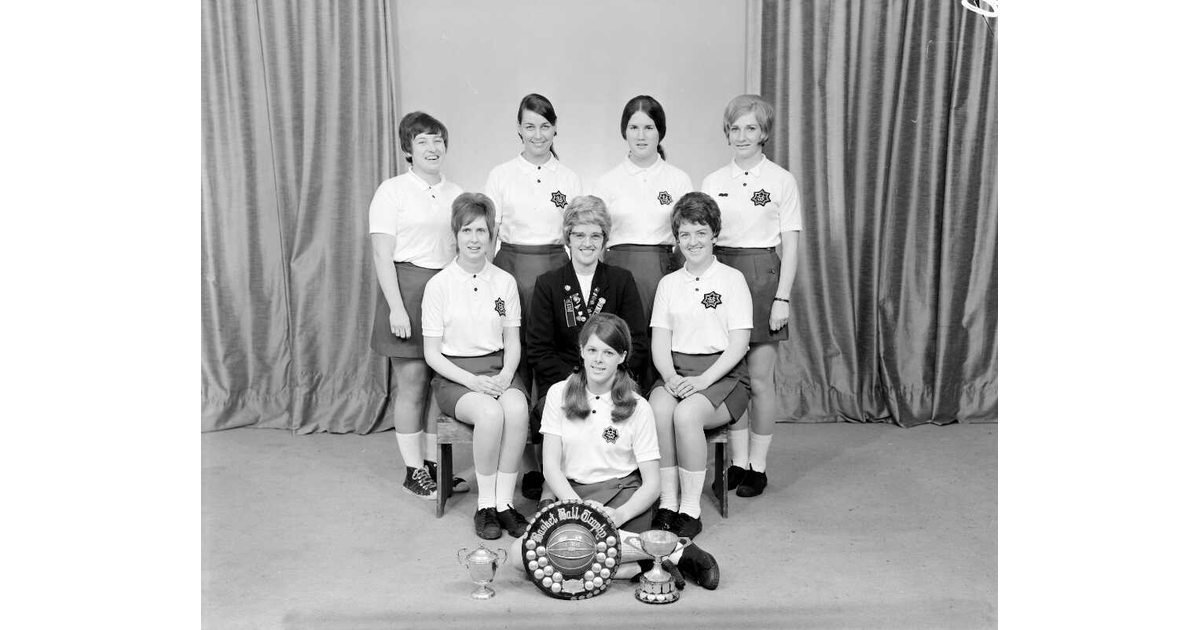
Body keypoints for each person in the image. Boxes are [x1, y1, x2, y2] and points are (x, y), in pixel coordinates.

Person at [509, 313, 720, 590]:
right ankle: (651, 559)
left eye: (608, 352)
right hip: (571, 494)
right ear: (581, 350)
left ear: (622, 356)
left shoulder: (638, 406)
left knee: (563, 556)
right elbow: (550, 467)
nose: (598, 359)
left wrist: (617, 516)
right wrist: (579, 509)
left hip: (622, 498)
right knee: (517, 555)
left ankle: (652, 553)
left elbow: (653, 483)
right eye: (592, 350)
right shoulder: (558, 394)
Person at [699, 94, 802, 498]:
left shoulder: (781, 180)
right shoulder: (712, 181)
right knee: (728, 376)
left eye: (751, 128)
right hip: (721, 278)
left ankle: (757, 465)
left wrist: (783, 297)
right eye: (735, 127)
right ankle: (736, 462)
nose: (742, 136)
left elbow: (790, 245)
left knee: (758, 379)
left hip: (763, 280)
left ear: (764, 134)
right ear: (727, 131)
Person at [484, 93, 582, 500]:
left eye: (545, 126)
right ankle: (525, 463)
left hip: (553, 272)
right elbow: (490, 234)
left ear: (555, 129)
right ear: (519, 130)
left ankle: (550, 461)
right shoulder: (501, 174)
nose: (537, 134)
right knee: (518, 356)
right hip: (511, 267)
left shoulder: (568, 177)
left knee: (550, 357)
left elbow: (575, 234)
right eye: (529, 126)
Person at [525, 196, 649, 507]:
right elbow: (539, 350)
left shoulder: (621, 281)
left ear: (606, 240)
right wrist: (578, 383)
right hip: (564, 381)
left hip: (613, 380)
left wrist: (605, 382)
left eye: (595, 235)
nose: (587, 242)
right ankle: (552, 488)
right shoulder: (549, 284)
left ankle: (616, 487)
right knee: (563, 407)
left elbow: (637, 343)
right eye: (579, 234)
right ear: (567, 238)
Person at [368, 111, 466, 500]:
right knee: (411, 383)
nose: (432, 147)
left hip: (445, 290)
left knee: (436, 381)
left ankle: (432, 464)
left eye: (438, 139)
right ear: (407, 148)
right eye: (422, 140)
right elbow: (381, 253)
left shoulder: (455, 192)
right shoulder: (391, 191)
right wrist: (395, 307)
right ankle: (412, 470)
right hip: (406, 290)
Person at [422, 193, 530, 540]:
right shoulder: (439, 285)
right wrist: (473, 381)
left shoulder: (504, 281)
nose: (473, 238)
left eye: (481, 230)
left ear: (491, 235)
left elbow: (513, 342)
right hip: (456, 376)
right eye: (466, 230)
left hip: (499, 370)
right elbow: (432, 355)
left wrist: (503, 376)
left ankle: (504, 504)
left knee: (516, 409)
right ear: (455, 234)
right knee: (489, 414)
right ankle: (485, 505)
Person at [648, 192, 753, 539]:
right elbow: (660, 341)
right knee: (658, 409)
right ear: (677, 240)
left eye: (700, 232)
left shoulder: (732, 280)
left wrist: (703, 380)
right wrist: (670, 377)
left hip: (723, 376)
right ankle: (667, 501)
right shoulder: (668, 284)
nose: (693, 241)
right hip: (676, 372)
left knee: (687, 415)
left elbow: (739, 344)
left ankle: (690, 508)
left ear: (715, 235)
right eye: (685, 234)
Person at [593, 95, 693, 390]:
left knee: (659, 341)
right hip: (618, 271)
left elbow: (687, 234)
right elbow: (597, 236)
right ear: (624, 131)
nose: (641, 135)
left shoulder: (677, 179)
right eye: (634, 127)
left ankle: (658, 414)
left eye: (648, 127)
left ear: (660, 131)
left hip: (663, 270)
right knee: (619, 341)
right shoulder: (608, 181)